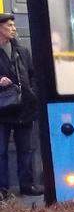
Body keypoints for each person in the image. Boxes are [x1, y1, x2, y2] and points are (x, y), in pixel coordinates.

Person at [0, 13, 42, 198]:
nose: (14, 28)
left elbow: (33, 74)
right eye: (10, 25)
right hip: (2, 110)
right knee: (1, 151)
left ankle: (27, 185)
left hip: (24, 108)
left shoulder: (22, 51)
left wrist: (32, 93)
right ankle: (3, 190)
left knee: (26, 150)